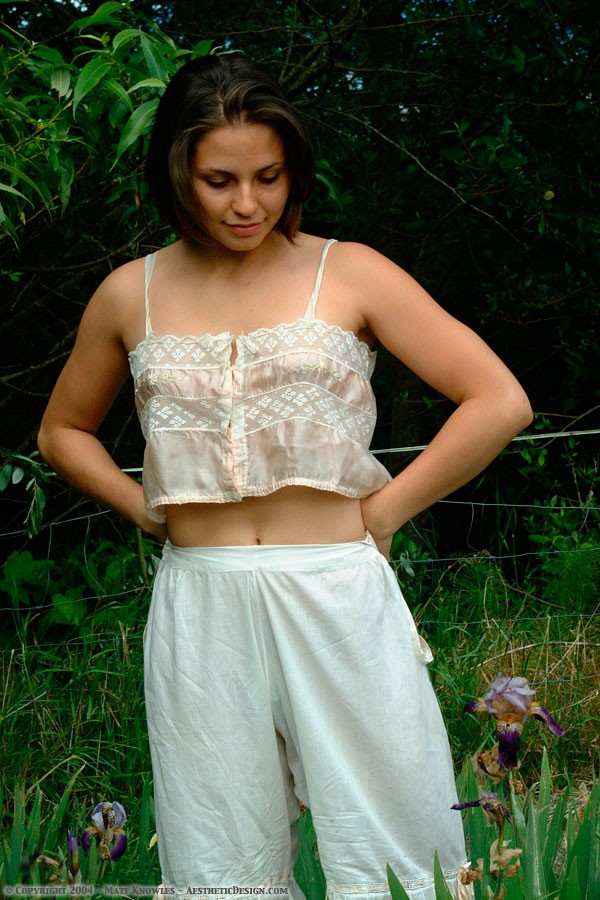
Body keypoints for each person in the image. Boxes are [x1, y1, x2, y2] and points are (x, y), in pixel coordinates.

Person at [38, 54, 532, 900]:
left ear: (293, 170)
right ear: (178, 175)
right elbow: (61, 430)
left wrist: (386, 512)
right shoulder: (131, 294)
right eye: (219, 180)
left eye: (268, 177)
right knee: (221, 866)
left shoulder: (351, 271)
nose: (247, 203)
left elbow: (499, 400)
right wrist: (146, 509)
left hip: (336, 593)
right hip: (201, 605)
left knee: (395, 852)